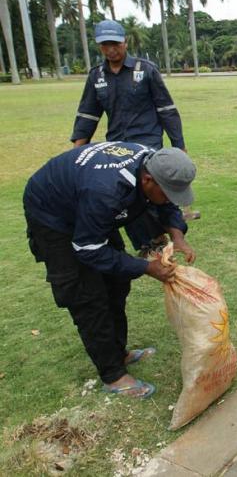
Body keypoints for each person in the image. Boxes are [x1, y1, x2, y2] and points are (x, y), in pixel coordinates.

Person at [24, 142, 197, 399]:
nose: (173, 197)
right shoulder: (106, 191)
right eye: (169, 191)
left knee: (116, 282)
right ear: (148, 180)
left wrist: (177, 234)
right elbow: (88, 249)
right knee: (87, 296)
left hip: (89, 207)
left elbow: (166, 202)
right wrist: (147, 267)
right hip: (55, 216)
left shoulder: (153, 161)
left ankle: (119, 353)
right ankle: (113, 375)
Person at [70, 19, 189, 254]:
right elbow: (88, 115)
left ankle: (165, 232)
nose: (110, 49)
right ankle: (150, 240)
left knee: (153, 188)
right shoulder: (97, 76)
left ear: (125, 42)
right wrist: (77, 150)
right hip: (117, 145)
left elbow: (166, 109)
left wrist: (179, 145)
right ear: (99, 46)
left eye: (115, 43)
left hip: (147, 141)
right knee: (125, 194)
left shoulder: (145, 70)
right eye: (105, 45)